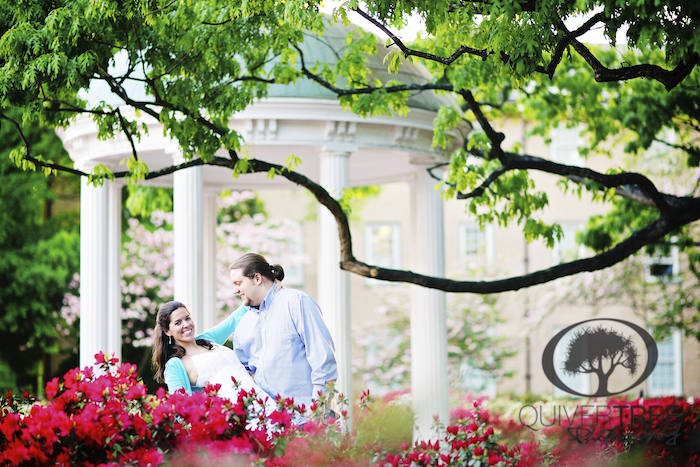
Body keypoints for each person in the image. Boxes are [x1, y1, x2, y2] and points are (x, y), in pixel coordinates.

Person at [230, 253, 338, 415]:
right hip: (265, 422)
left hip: (305, 417)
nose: (235, 290)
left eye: (238, 283)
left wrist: (319, 408)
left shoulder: (297, 302)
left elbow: (322, 358)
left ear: (257, 278)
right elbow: (242, 372)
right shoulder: (242, 322)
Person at [151, 300, 277, 414]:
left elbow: (234, 319)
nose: (186, 324)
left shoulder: (206, 340)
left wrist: (254, 295)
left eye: (187, 318)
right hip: (235, 417)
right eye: (178, 323)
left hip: (261, 401)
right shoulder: (175, 364)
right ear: (167, 331)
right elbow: (181, 407)